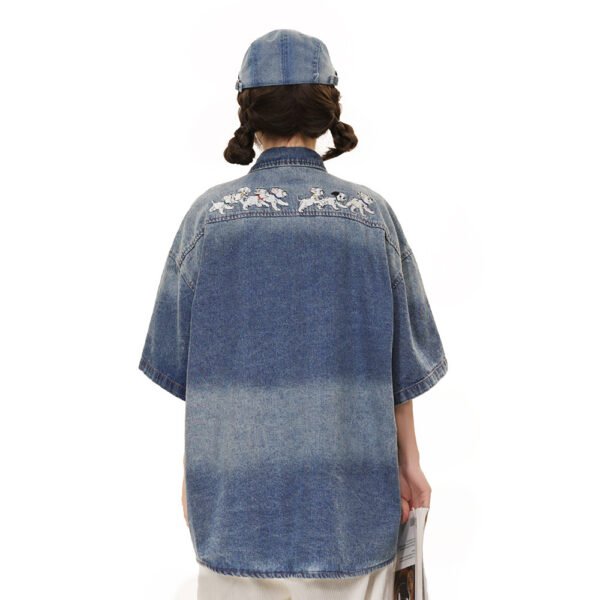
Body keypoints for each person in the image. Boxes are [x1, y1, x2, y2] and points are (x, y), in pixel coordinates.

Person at [138, 28, 448, 600]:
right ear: (326, 110)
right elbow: (402, 368)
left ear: (249, 112)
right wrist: (410, 463)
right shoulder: (371, 217)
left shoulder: (208, 219)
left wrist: (194, 473)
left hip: (234, 502)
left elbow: (191, 374)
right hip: (353, 504)